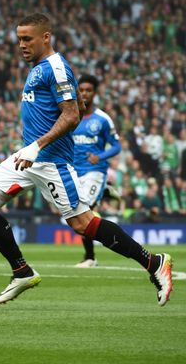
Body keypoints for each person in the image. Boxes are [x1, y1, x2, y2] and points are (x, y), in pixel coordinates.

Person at [0, 13, 172, 306]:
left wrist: (38, 146)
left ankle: (154, 262)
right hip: (28, 157)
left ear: (46, 37)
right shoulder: (39, 67)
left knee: (83, 224)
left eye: (28, 39)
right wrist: (33, 147)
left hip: (49, 160)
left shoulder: (55, 67)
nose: (22, 45)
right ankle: (22, 271)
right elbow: (77, 105)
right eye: (19, 40)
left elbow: (72, 114)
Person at [71, 75, 121, 268]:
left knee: (85, 212)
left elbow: (116, 146)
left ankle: (90, 257)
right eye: (81, 90)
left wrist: (100, 156)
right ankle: (106, 192)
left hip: (95, 170)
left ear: (95, 92)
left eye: (88, 90)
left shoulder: (102, 119)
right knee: (77, 215)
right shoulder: (71, 116)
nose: (84, 93)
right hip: (75, 172)